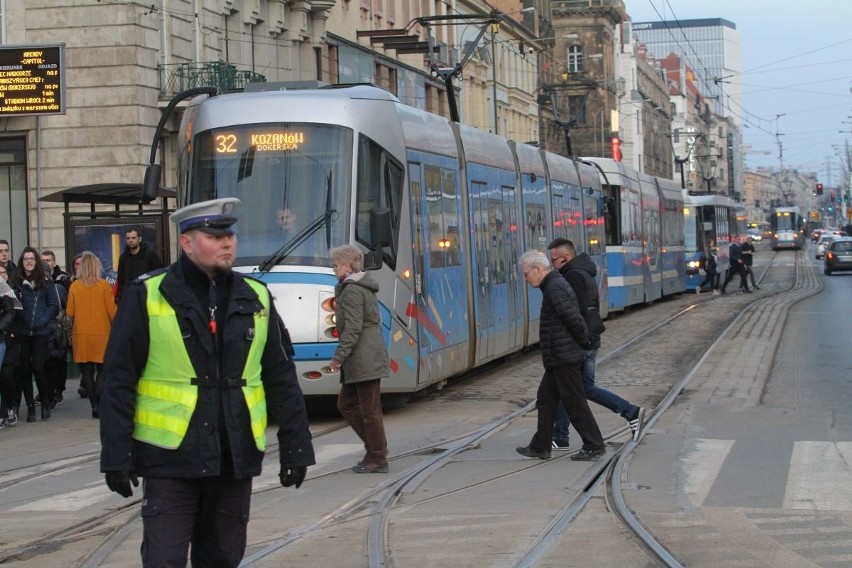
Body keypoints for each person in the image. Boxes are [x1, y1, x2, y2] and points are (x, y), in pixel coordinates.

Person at [99, 198, 315, 568]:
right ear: (187, 243)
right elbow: (118, 380)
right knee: (163, 559)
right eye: (215, 236)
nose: (228, 242)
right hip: (170, 459)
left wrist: (296, 446)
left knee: (222, 559)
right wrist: (116, 455)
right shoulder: (148, 294)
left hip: (234, 456)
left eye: (230, 234)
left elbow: (280, 376)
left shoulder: (255, 296)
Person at [547, 239, 645, 449]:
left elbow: (575, 313)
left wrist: (578, 341)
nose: (552, 264)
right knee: (567, 387)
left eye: (554, 260)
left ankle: (630, 411)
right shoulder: (581, 272)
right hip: (587, 338)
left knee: (583, 387)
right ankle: (560, 435)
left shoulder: (573, 276)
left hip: (583, 340)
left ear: (565, 258)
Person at [515, 250, 606, 462]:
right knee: (546, 399)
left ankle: (594, 444)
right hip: (558, 356)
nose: (526, 279)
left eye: (526, 274)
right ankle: (540, 445)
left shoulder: (555, 288)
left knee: (574, 402)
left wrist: (583, 343)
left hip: (564, 355)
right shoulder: (553, 285)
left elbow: (573, 318)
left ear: (537, 269)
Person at [328, 244, 390, 473]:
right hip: (362, 356)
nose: (333, 269)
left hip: (364, 356)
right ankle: (375, 449)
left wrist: (338, 358)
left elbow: (353, 328)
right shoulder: (353, 286)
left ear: (346, 265)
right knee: (348, 404)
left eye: (335, 264)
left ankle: (378, 456)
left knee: (368, 409)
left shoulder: (353, 290)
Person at [10, 247, 59, 422]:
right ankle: (30, 407)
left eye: (32, 258)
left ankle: (45, 401)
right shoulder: (16, 282)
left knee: (38, 367)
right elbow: (12, 307)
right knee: (24, 370)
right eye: (25, 259)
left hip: (40, 332)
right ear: (21, 262)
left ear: (37, 261)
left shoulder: (46, 282)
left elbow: (54, 305)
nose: (29, 262)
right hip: (22, 332)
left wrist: (43, 320)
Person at [67, 252, 116, 418]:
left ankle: (94, 405)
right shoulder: (104, 285)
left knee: (86, 373)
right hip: (102, 334)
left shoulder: (74, 286)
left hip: (81, 335)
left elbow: (70, 311)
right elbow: (112, 312)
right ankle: (99, 399)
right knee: (102, 370)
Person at [42, 251, 72, 408]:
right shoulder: (38, 288)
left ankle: (54, 392)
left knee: (56, 364)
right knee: (49, 365)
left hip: (56, 332)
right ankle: (50, 394)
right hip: (46, 331)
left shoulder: (59, 287)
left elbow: (68, 308)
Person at [114, 226, 162, 302]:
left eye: (133, 238)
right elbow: (121, 281)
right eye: (128, 238)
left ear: (139, 239)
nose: (130, 240)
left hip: (147, 297)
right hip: (129, 298)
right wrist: (121, 299)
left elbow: (158, 276)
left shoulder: (151, 255)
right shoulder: (123, 258)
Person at [0, 264, 21, 428]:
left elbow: (11, 310)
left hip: (3, 338)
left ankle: (7, 410)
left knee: (6, 375)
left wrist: (2, 327)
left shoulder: (3, 286)